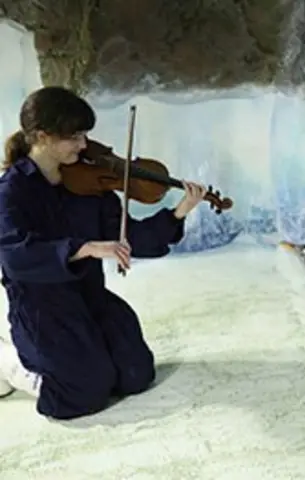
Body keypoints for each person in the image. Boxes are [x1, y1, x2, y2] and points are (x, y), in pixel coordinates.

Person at [0, 86, 207, 420]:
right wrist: (84, 247)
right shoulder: (12, 190)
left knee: (136, 374)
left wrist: (180, 210)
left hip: (88, 295)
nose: (84, 146)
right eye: (74, 137)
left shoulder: (87, 183)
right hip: (43, 308)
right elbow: (15, 256)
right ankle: (11, 365)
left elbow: (131, 237)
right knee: (83, 393)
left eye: (85, 135)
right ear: (42, 136)